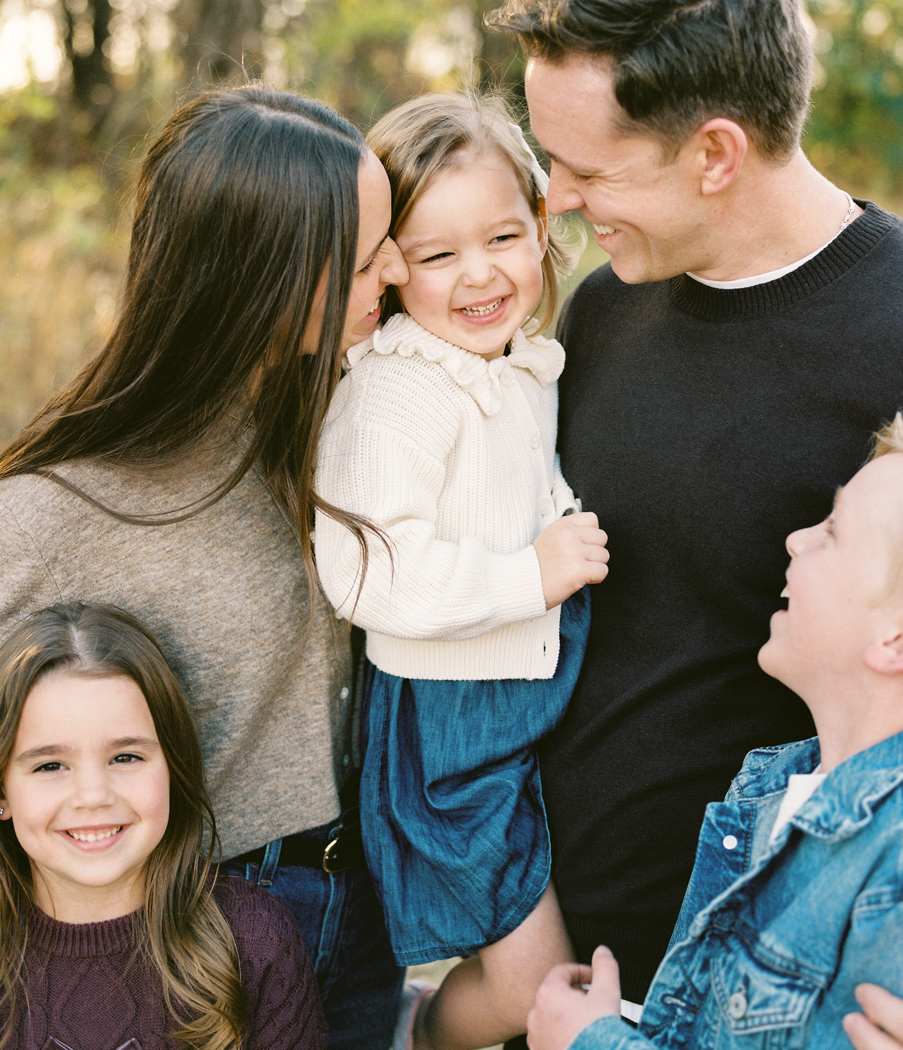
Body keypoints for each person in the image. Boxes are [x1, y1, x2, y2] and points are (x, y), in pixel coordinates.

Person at [485, 0, 903, 1015]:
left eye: (585, 170)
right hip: (561, 985)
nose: (557, 201)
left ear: (715, 153)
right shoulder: (606, 306)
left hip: (775, 1000)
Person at [0, 83, 409, 1049]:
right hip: (206, 941)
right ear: (263, 282)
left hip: (366, 914)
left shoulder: (360, 430)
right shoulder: (54, 511)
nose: (394, 267)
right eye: (362, 257)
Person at [313, 92, 609, 1050]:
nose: (479, 275)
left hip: (518, 696)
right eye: (438, 255)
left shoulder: (510, 360)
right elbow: (364, 574)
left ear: (540, 231)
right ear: (391, 267)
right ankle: (412, 1039)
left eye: (503, 237)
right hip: (450, 726)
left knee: (549, 962)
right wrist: (530, 575)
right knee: (532, 990)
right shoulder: (400, 388)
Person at [525, 416, 903, 1050]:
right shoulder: (775, 786)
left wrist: (586, 1043)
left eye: (833, 533)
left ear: (893, 641)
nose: (796, 538)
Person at [0, 600, 326, 1049]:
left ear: (174, 766)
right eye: (51, 766)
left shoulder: (253, 941)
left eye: (126, 757)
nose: (94, 796)